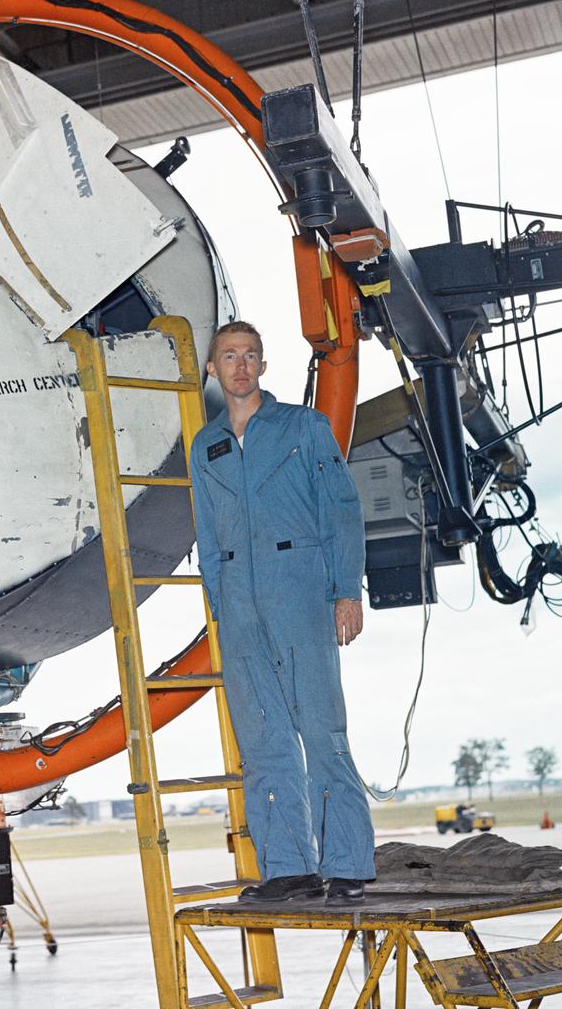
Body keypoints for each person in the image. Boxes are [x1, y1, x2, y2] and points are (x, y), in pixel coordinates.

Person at [190, 320, 375, 905]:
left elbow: (341, 509)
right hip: (240, 612)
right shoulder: (206, 446)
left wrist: (348, 590)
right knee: (264, 744)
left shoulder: (305, 426)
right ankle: (288, 869)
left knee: (322, 733)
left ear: (263, 367)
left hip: (300, 595)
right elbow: (206, 531)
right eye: (228, 356)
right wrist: (221, 610)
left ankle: (347, 865)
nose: (240, 366)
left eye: (250, 355)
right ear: (214, 371)